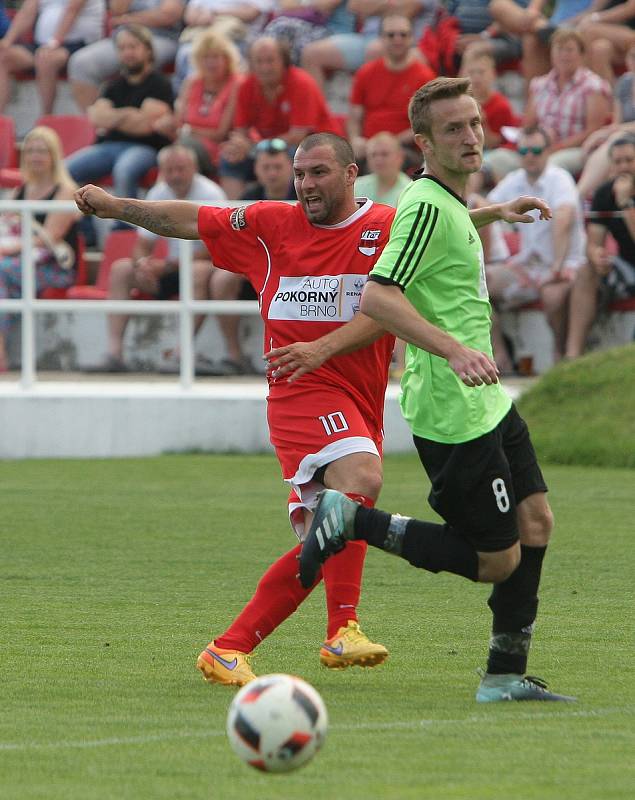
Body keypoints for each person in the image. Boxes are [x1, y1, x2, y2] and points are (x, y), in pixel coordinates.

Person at [298, 77, 576, 703]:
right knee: (495, 559)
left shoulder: (444, 203)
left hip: (487, 400)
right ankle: (350, 518)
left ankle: (505, 676)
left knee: (537, 520)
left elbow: (441, 228)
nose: (472, 137)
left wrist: (494, 213)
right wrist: (452, 349)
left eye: (475, 124)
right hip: (454, 409)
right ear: (424, 142)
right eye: (454, 129)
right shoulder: (425, 205)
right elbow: (378, 294)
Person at [85, 144, 246, 374]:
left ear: (195, 168)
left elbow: (218, 248)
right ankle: (114, 353)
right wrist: (143, 265)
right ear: (161, 171)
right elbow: (142, 245)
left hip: (206, 267)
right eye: (169, 170)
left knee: (197, 272)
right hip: (171, 269)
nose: (175, 175)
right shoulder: (158, 192)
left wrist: (167, 266)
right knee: (122, 269)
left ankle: (182, 353)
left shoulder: (211, 194)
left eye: (181, 169)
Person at [487, 126, 586, 364]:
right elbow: (486, 207)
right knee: (478, 282)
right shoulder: (515, 180)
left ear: (548, 151)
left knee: (552, 295)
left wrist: (557, 267)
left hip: (564, 264)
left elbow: (563, 219)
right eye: (524, 150)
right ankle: (498, 355)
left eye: (536, 150)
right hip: (528, 265)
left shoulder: (559, 178)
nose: (529, 155)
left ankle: (561, 356)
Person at [218, 35, 339, 199]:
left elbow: (297, 136)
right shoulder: (246, 86)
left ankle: (292, 212)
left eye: (270, 61)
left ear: (284, 61)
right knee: (230, 158)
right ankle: (234, 216)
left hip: (313, 146)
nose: (265, 67)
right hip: (268, 145)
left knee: (284, 157)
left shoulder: (302, 83)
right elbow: (240, 130)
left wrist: (255, 146)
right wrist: (239, 145)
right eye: (259, 62)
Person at [0, 126, 80, 372]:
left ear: (53, 155)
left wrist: (11, 248)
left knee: (1, 272)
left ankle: (0, 352)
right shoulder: (20, 190)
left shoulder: (65, 191)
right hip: (19, 261)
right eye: (31, 151)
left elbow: (51, 236)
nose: (36, 156)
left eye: (42, 151)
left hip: (54, 267)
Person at [66, 24, 174, 202]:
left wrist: (113, 117)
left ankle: (124, 226)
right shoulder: (113, 86)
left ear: (147, 50)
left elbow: (145, 126)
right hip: (108, 147)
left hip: (146, 148)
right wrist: (131, 115)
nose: (127, 53)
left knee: (124, 169)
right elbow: (96, 117)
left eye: (133, 47)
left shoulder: (160, 84)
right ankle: (82, 222)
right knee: (64, 169)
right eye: (122, 48)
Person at [566, 134, 635, 358]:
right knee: (586, 270)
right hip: (626, 266)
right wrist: (597, 256)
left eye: (629, 160)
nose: (623, 167)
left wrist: (625, 203)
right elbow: (593, 242)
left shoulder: (621, 195)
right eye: (617, 162)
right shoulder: (605, 193)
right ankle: (572, 355)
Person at [154, 28, 244, 179]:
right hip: (187, 143)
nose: (210, 63)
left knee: (180, 153)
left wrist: (188, 131)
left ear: (227, 59)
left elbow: (221, 133)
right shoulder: (191, 82)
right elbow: (178, 123)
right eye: (205, 57)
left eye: (216, 57)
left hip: (219, 148)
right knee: (174, 153)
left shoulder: (236, 84)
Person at [347, 13, 435, 164]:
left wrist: (388, 143)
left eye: (403, 34)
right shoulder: (365, 72)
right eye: (391, 35)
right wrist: (355, 139)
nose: (397, 39)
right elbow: (354, 117)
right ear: (381, 38)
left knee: (384, 160)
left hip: (405, 149)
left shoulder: (425, 76)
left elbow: (425, 125)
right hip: (367, 148)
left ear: (412, 38)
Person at [68, 0, 185, 112]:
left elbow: (168, 15)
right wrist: (127, 20)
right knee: (81, 63)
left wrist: (128, 19)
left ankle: (144, 119)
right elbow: (117, 10)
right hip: (124, 36)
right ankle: (96, 125)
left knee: (139, 54)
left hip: (162, 36)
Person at [0, 0, 105, 114]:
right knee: (4, 56)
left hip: (79, 45)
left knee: (46, 59)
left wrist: (54, 43)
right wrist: (7, 41)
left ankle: (46, 117)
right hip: (42, 45)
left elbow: (72, 10)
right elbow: (26, 13)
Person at [354, 132, 411, 208]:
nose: (378, 160)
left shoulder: (409, 190)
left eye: (384, 154)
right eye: (373, 155)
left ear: (400, 157)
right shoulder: (356, 186)